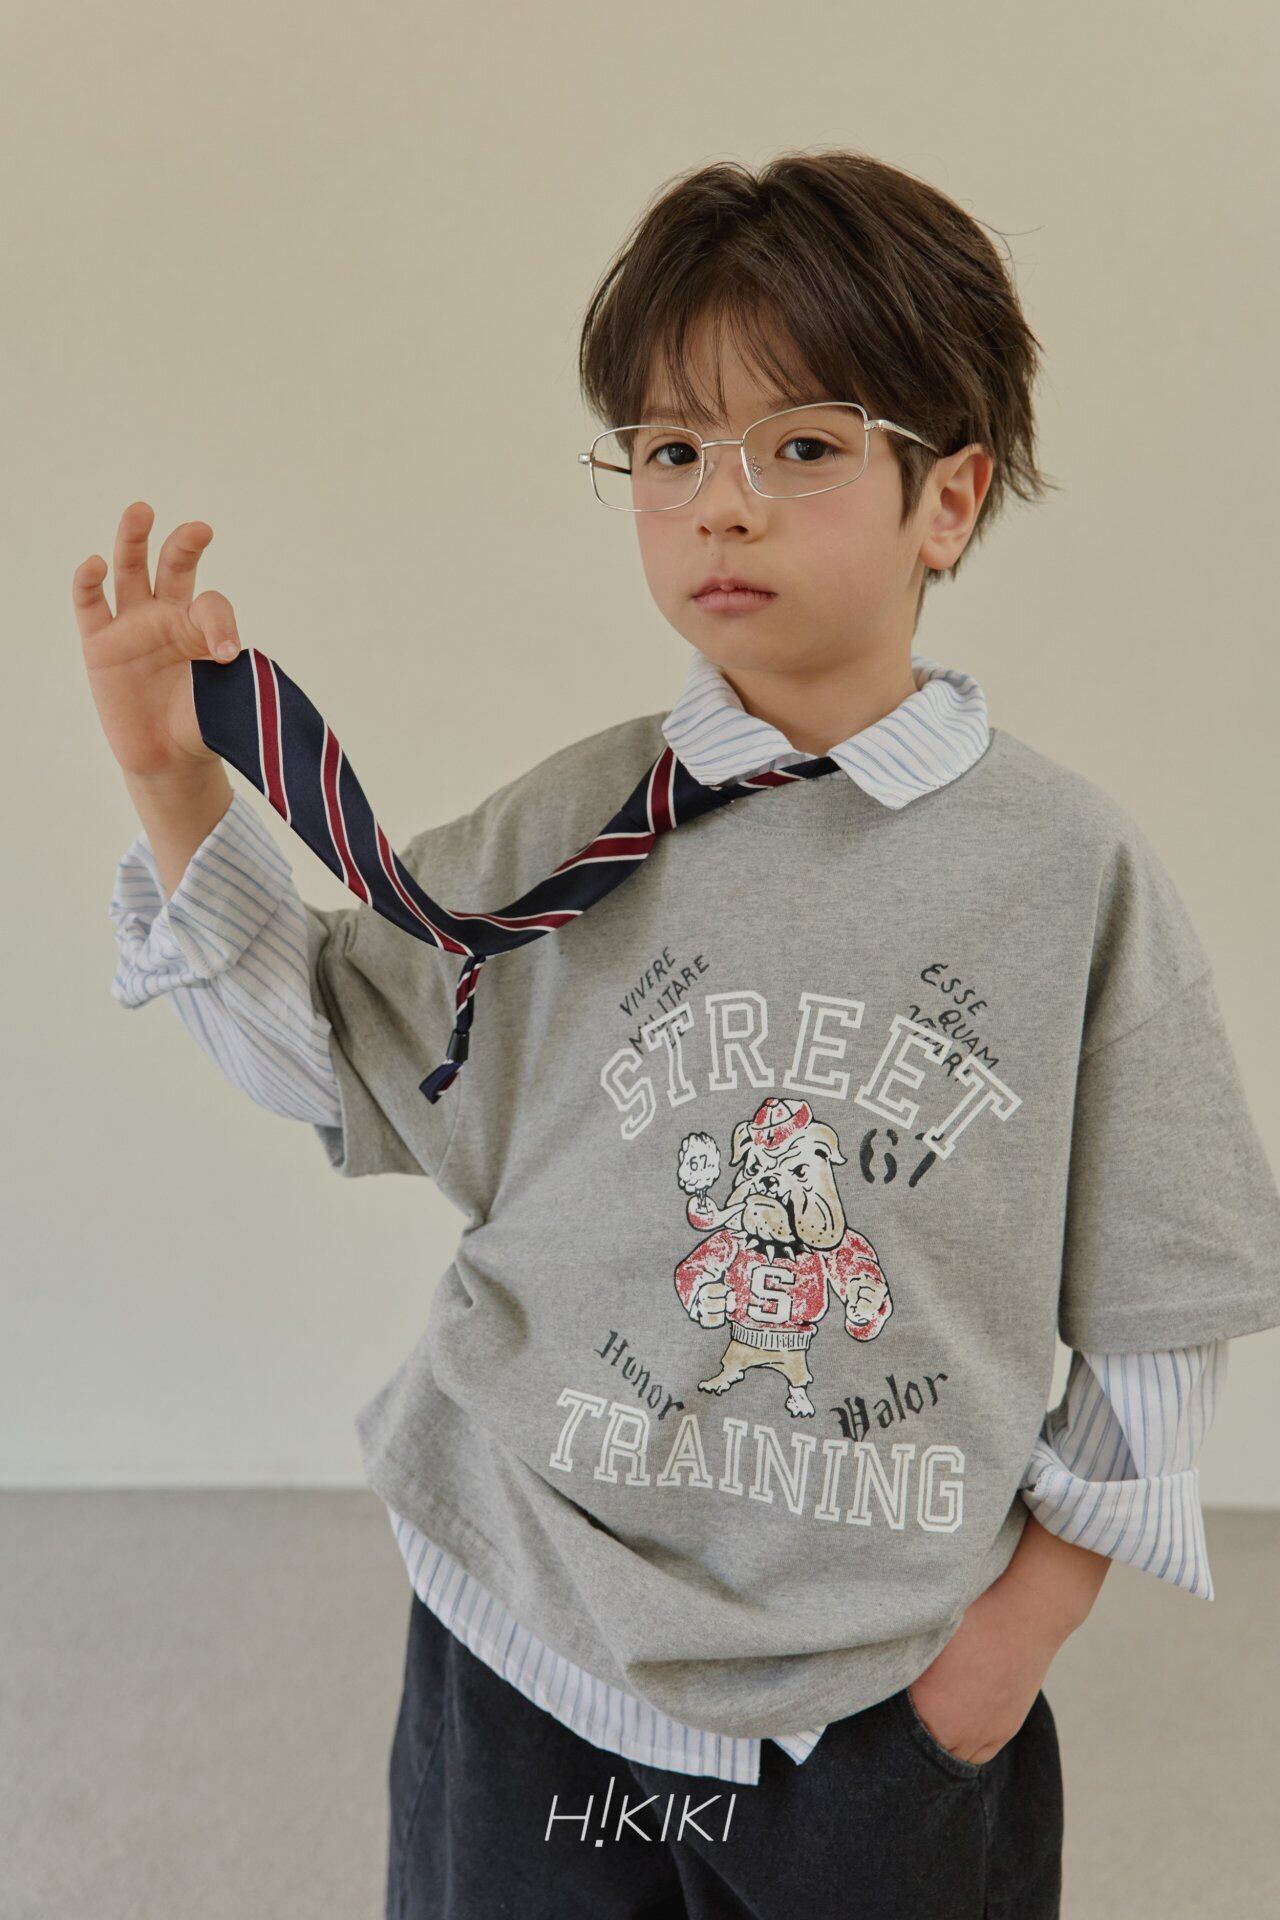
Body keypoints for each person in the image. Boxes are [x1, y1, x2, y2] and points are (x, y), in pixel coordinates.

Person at [74, 150, 1280, 1920]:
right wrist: (173, 779)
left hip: (881, 1696)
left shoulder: (1066, 874)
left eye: (802, 446)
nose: (724, 507)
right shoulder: (573, 827)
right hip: (534, 1633)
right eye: (670, 452)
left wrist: (1001, 1657)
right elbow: (335, 1056)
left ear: (947, 498)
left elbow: (1161, 1305)